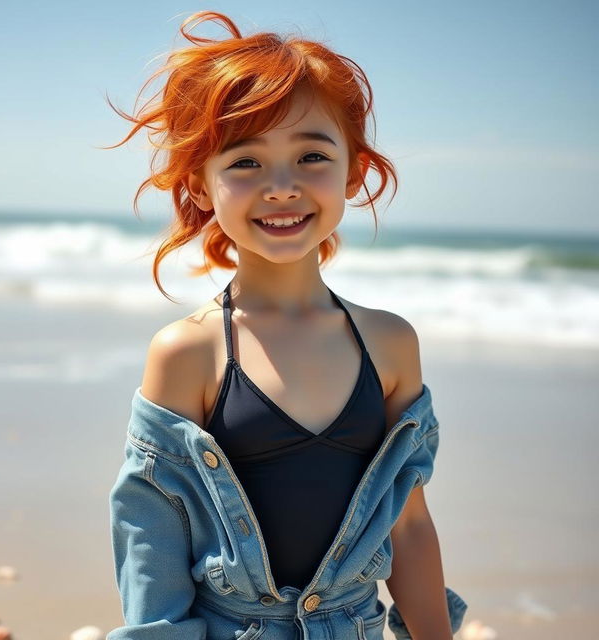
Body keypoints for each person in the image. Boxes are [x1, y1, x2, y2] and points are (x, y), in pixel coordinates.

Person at [105, 10, 468, 640]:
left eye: (311, 156)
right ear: (200, 182)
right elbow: (150, 541)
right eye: (244, 162)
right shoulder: (188, 351)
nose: (280, 187)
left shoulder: (390, 343)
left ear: (355, 170)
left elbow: (408, 526)